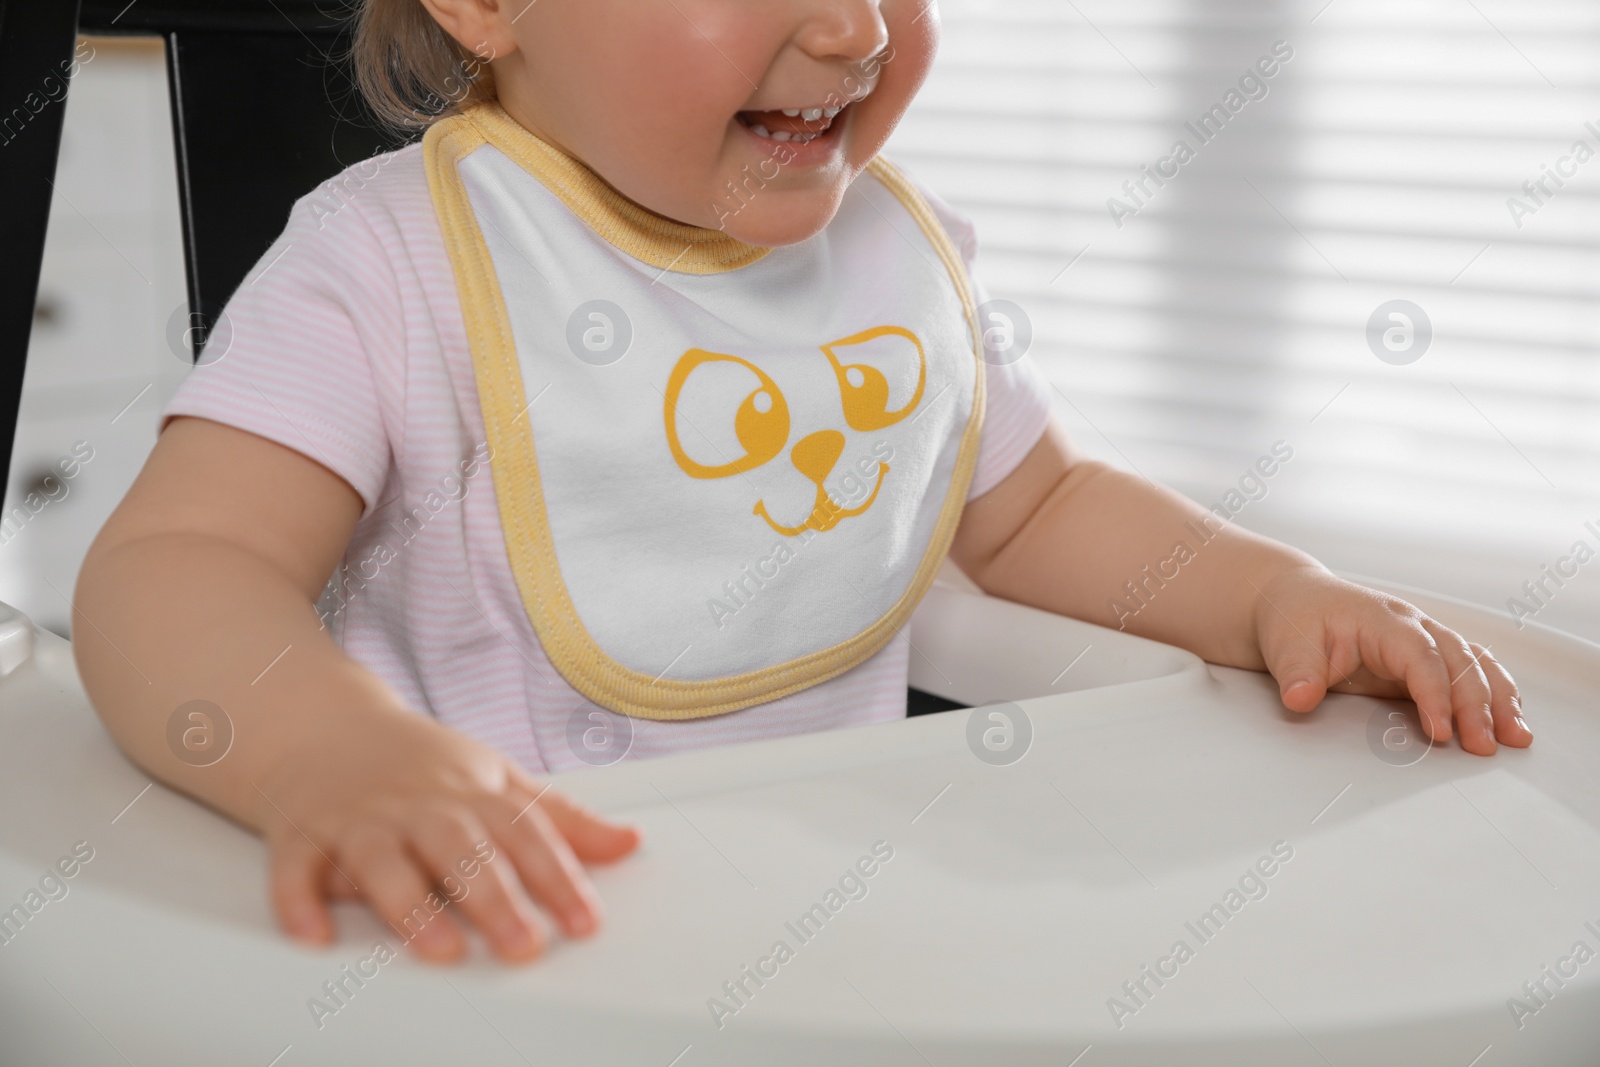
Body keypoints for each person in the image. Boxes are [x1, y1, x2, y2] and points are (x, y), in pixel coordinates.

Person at [73, 0, 1530, 967]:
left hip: (836, 929)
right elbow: (178, 566)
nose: (852, 27)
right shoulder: (387, 265)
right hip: (507, 945)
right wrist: (322, 756)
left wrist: (1277, 594)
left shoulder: (897, 259)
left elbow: (1033, 508)